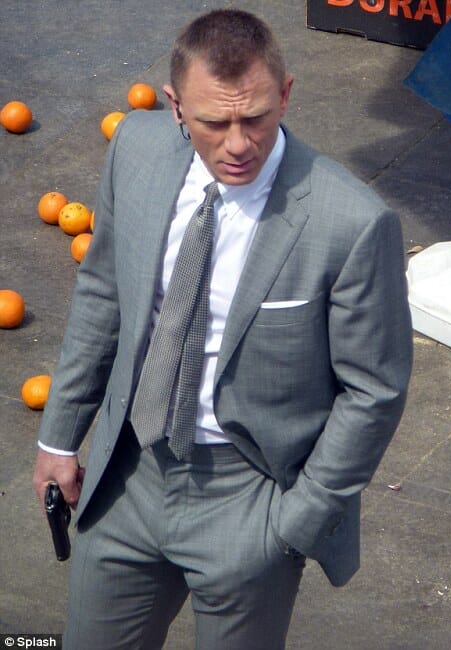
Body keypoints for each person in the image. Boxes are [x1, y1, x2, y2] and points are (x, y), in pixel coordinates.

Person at [33, 8, 413, 650]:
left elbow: (375, 389)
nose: (238, 144)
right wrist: (59, 437)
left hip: (250, 500)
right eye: (214, 122)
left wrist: (295, 522)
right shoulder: (136, 150)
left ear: (285, 94)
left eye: (256, 117)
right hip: (128, 477)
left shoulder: (350, 221)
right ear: (176, 107)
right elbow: (103, 294)